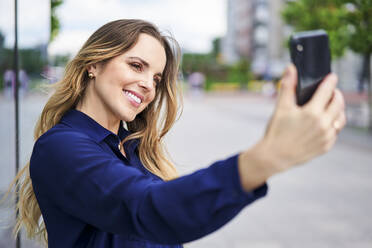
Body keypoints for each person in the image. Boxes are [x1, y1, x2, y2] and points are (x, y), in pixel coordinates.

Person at [7, 19, 346, 248]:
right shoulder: (61, 148)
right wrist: (268, 156)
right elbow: (149, 209)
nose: (147, 85)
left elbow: (170, 221)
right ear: (93, 65)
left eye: (156, 78)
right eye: (136, 66)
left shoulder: (133, 148)